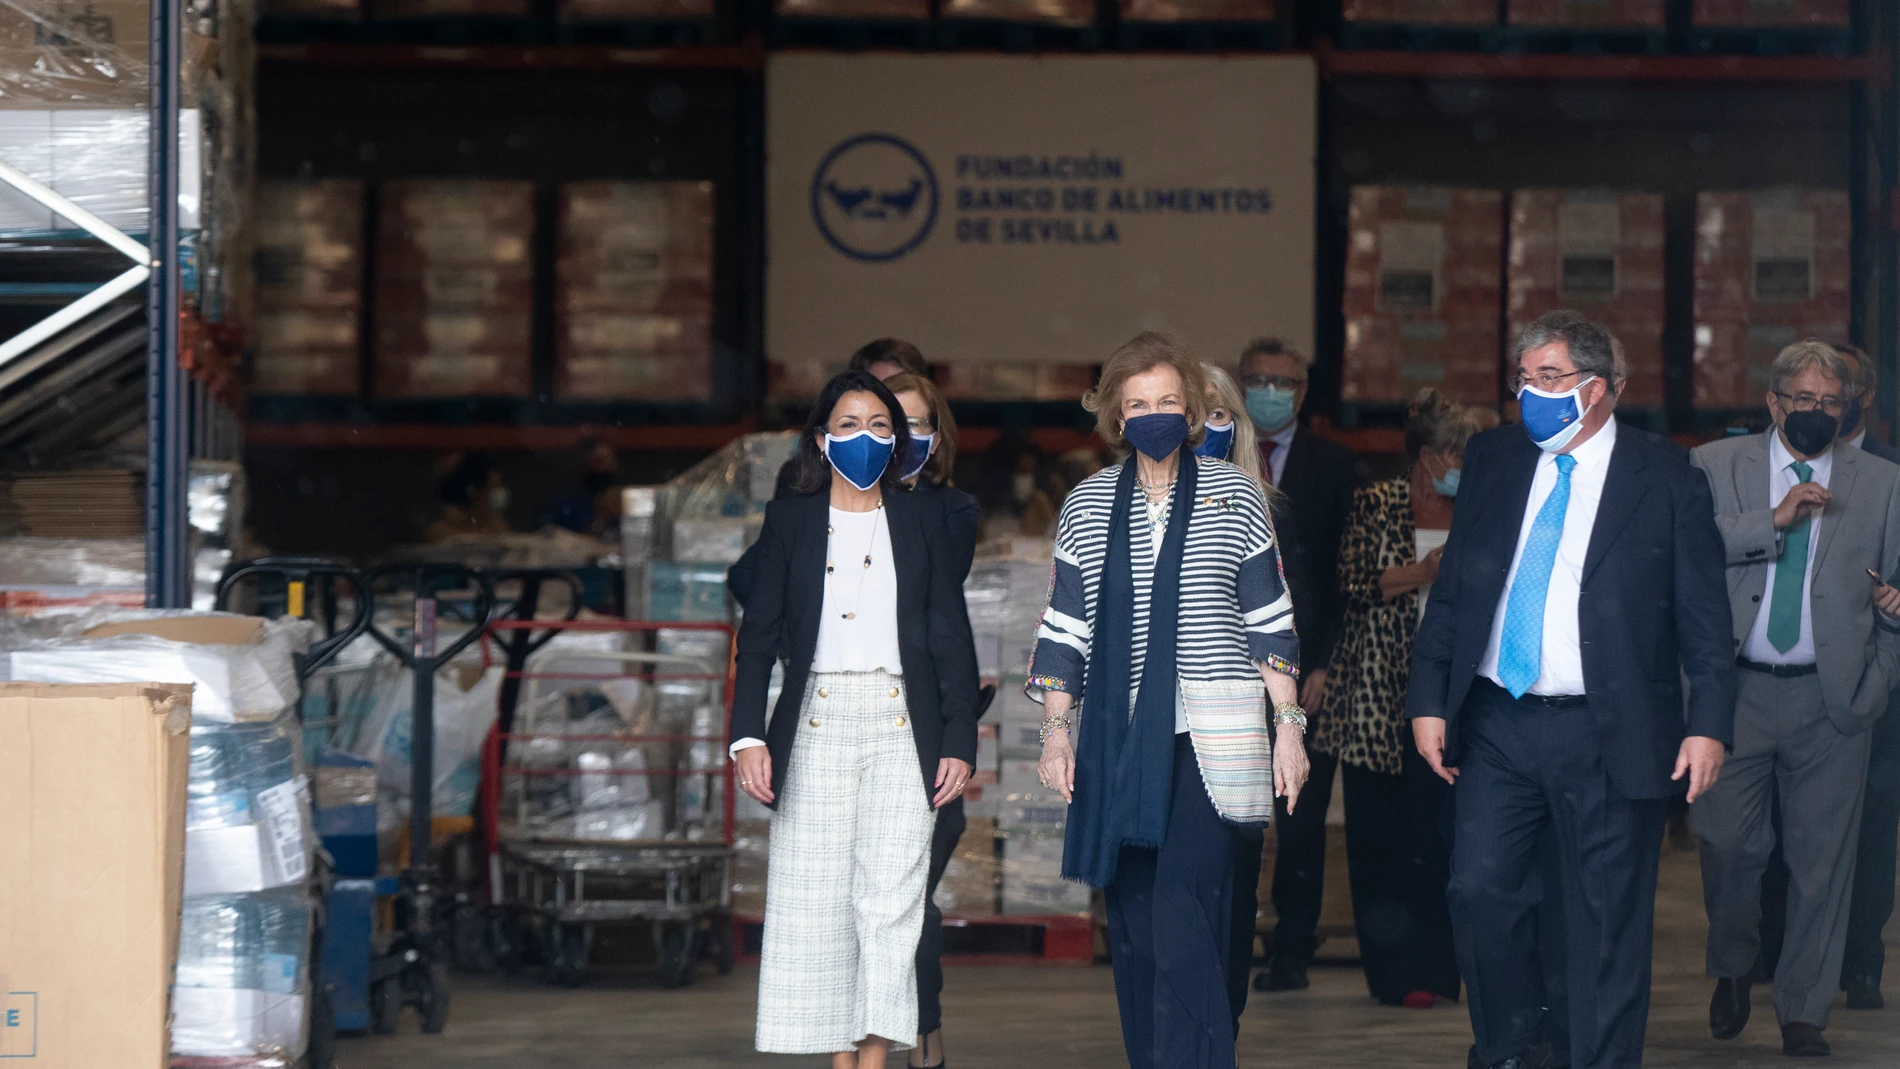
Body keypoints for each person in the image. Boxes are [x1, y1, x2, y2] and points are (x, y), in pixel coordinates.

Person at [1407, 309, 1734, 1069]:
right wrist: (1429, 695)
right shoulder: (1495, 457)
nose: (1531, 394)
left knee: (1606, 917)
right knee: (1479, 890)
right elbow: (1456, 587)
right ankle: (1513, 1044)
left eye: (1548, 378)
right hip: (1499, 720)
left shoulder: (1666, 475)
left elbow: (1704, 615)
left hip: (1610, 727)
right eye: (1523, 378)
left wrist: (1708, 721)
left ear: (1597, 389)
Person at [1028, 332, 1307, 1069]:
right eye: (1138, 403)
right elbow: (1065, 628)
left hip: (1213, 740)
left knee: (1185, 914)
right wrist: (1057, 734)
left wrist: (1290, 727)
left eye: (1169, 402)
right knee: (1139, 925)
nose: (1154, 415)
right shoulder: (1088, 504)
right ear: (1118, 417)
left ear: (1192, 414)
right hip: (1119, 742)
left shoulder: (1234, 494)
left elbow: (1268, 617)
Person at [730, 370, 980, 1069]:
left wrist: (961, 734)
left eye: (879, 426)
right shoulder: (792, 520)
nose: (864, 438)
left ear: (897, 441)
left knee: (892, 903)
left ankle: (870, 1059)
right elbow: (757, 635)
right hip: (815, 721)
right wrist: (747, 733)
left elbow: (949, 633)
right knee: (815, 900)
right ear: (821, 438)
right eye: (848, 425)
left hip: (905, 724)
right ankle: (838, 1055)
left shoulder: (925, 519)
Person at [1689, 339, 1900, 1058]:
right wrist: (1769, 522)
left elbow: (1894, 587)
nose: (1815, 411)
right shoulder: (1718, 466)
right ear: (1774, 402)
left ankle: (1805, 1008)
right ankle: (1736, 961)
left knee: (1822, 863)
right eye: (1802, 399)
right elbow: (1683, 551)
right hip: (1735, 692)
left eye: (1829, 402)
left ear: (1848, 409)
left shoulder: (1880, 481)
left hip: (1833, 699)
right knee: (1727, 846)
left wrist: (1884, 664)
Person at [1316, 388, 1493, 1010]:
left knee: (1442, 840)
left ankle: (1442, 969)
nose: (1459, 464)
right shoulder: (1376, 502)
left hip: (1453, 698)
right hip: (1374, 697)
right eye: (1451, 452)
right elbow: (1354, 582)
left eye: (1467, 454)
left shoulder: (1481, 506)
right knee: (1378, 843)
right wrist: (1423, 573)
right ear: (1424, 453)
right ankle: (1393, 975)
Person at [1238, 336, 1363, 993]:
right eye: (1256, 378)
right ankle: (1233, 935)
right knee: (1233, 812)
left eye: (1281, 381)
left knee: (1300, 818)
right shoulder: (1215, 453)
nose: (1268, 390)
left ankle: (1291, 948)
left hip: (1307, 665)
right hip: (1228, 669)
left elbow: (1347, 578)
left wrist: (1324, 664)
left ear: (1302, 392)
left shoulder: (1335, 466)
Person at [882, 371, 984, 1069]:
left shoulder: (951, 512)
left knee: (910, 902)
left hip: (923, 735)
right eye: (895, 425)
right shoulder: (816, 508)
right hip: (848, 726)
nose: (906, 440)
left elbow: (933, 615)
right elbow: (758, 577)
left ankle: (926, 1038)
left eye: (922, 426)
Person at [1199, 362, 1302, 1032]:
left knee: (1231, 891)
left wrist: (1287, 721)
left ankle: (1218, 1029)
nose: (1200, 425)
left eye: (1216, 411)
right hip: (1151, 730)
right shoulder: (1110, 505)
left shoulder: (1255, 509)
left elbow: (1276, 624)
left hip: (1233, 729)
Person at [774, 340, 933, 498]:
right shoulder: (799, 477)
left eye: (903, 388)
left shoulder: (938, 492)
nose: (891, 401)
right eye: (877, 388)